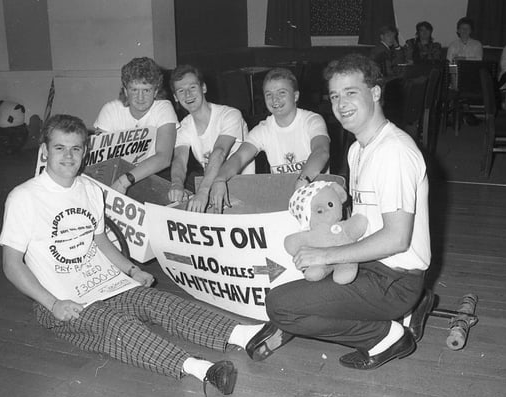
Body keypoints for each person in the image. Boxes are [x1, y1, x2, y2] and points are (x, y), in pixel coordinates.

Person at [0, 114, 281, 396]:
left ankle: (243, 336)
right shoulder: (24, 197)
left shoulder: (90, 189)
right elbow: (12, 265)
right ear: (45, 151)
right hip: (62, 299)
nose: (69, 155)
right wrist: (53, 304)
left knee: (160, 302)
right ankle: (201, 369)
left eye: (76, 148)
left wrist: (132, 270)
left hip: (106, 284)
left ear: (85, 152)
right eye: (60, 148)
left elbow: (100, 241)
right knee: (114, 324)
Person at [260, 54, 433, 370]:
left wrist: (326, 256)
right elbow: (361, 222)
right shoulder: (358, 149)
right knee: (288, 265)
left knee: (280, 307)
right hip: (370, 266)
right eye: (335, 96)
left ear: (376, 93)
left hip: (394, 280)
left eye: (351, 92)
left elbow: (397, 238)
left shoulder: (393, 152)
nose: (341, 104)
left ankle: (385, 335)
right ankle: (396, 313)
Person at [209, 67, 330, 213]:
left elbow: (321, 151)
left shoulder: (312, 120)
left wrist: (302, 181)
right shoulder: (263, 129)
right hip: (285, 201)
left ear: (296, 96)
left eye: (282, 93)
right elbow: (239, 157)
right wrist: (219, 179)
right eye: (269, 95)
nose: (275, 100)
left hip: (319, 199)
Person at [168, 64, 255, 213]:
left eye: (192, 88)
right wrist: (176, 184)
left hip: (242, 191)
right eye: (181, 91)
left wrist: (203, 192)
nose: (188, 95)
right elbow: (179, 160)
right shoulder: (183, 127)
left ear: (203, 88)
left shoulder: (230, 115)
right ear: (176, 97)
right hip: (211, 190)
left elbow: (219, 151)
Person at [94, 57, 178, 194]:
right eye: (134, 90)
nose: (140, 97)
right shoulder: (110, 110)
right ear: (126, 91)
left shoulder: (164, 108)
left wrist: (125, 180)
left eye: (146, 90)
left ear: (156, 91)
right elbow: (99, 158)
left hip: (153, 176)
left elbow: (163, 158)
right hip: (115, 175)